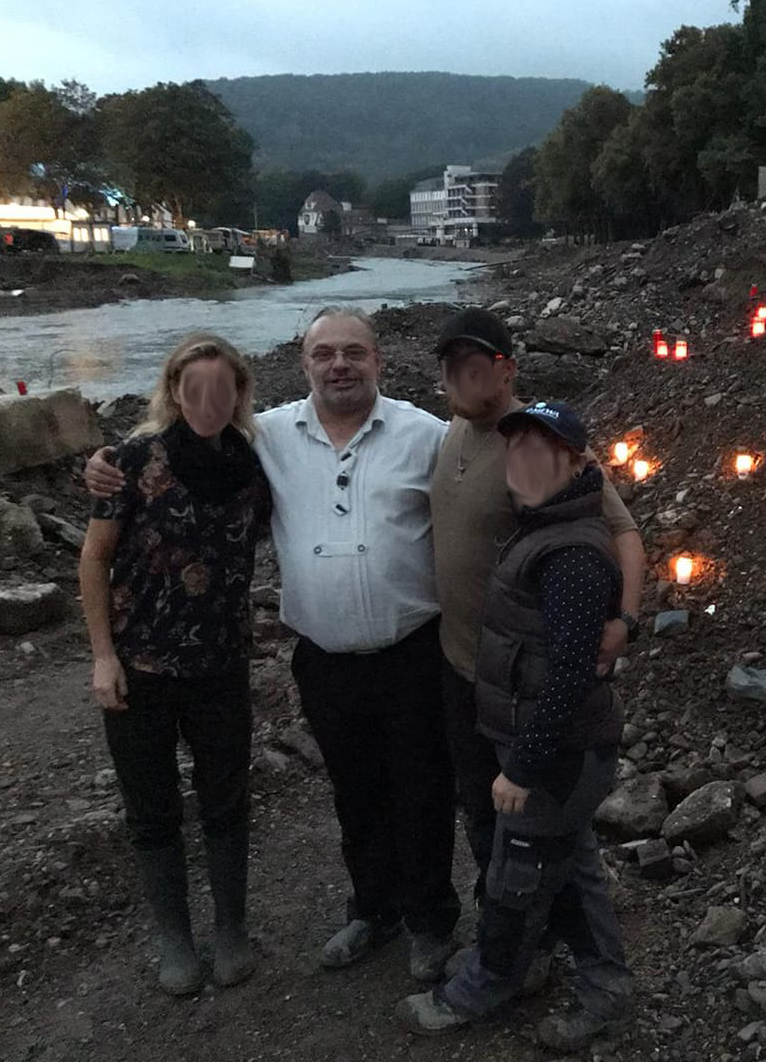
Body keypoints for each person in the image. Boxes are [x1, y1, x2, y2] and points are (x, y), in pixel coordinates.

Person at [86, 308, 461, 983]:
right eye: (324, 354)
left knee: (423, 790)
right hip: (322, 658)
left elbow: (482, 478)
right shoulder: (269, 436)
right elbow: (173, 443)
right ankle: (374, 910)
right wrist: (101, 464)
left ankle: (431, 923)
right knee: (354, 793)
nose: (339, 365)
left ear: (378, 360)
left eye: (353, 352)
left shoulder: (425, 435)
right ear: (304, 363)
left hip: (410, 650)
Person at [397, 401, 631, 1052]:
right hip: (555, 748)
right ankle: (605, 989)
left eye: (542, 452)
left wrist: (522, 768)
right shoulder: (543, 525)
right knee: (573, 868)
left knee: (516, 880)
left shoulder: (573, 555)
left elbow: (569, 678)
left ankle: (481, 988)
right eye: (517, 451)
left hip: (558, 754)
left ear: (576, 463)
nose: (525, 464)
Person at [78, 333, 272, 995]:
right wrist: (103, 657)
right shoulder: (132, 460)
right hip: (140, 670)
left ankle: (231, 932)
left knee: (226, 801)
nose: (208, 401)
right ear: (174, 392)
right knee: (152, 809)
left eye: (222, 388)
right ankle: (174, 939)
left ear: (239, 393)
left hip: (221, 666)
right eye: (195, 389)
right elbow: (94, 559)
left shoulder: (252, 466)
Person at [431, 308, 644, 903]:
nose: (462, 379)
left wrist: (625, 621)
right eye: (451, 368)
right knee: (479, 805)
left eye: (476, 366)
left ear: (507, 370)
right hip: (458, 664)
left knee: (531, 817)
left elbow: (623, 530)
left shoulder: (537, 443)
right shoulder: (450, 433)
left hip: (520, 677)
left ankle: (532, 928)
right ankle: (499, 913)